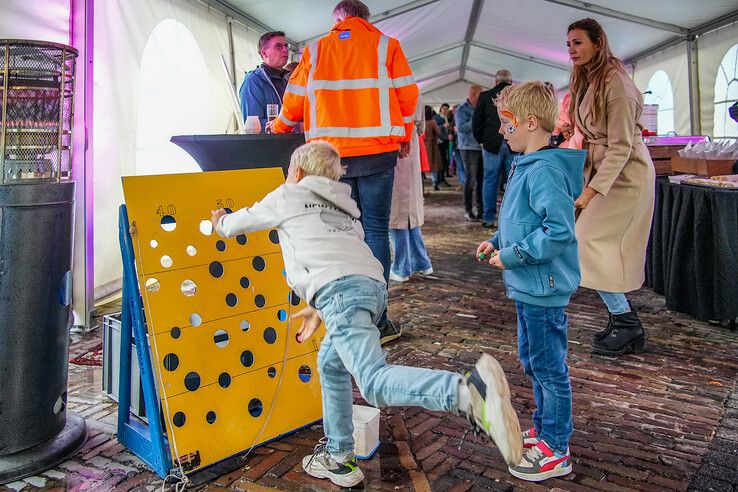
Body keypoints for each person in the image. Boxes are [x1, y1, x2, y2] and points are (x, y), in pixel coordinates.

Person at [211, 141, 522, 488]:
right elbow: (339, 255)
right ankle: (339, 456)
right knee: (331, 365)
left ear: (296, 173)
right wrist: (319, 308)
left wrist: (220, 221)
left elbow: (242, 222)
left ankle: (468, 393)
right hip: (371, 288)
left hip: (342, 293)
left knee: (373, 381)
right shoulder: (344, 207)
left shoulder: (288, 194)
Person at [273, 0, 418, 344]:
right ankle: (378, 321)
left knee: (337, 236)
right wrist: (406, 137)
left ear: (338, 19)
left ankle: (341, 315)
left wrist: (277, 129)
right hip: (378, 153)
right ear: (367, 19)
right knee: (376, 232)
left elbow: (293, 100)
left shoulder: (316, 50)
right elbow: (408, 97)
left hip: (328, 159)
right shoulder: (387, 46)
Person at [477, 81, 585, 482]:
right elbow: (521, 223)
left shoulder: (544, 172)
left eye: (508, 125)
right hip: (528, 285)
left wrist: (511, 255)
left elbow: (557, 231)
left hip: (542, 286)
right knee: (535, 361)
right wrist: (495, 242)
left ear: (531, 123)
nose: (503, 132)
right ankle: (544, 430)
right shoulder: (526, 165)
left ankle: (557, 447)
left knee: (548, 366)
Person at [566, 18, 656, 355]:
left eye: (578, 42)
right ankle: (622, 320)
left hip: (625, 177)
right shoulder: (590, 79)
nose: (572, 50)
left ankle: (627, 322)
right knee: (591, 243)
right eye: (569, 44)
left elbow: (620, 147)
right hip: (605, 173)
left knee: (588, 240)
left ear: (598, 42)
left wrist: (590, 191)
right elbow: (586, 134)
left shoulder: (616, 84)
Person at [389, 99, 433, 282]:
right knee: (408, 212)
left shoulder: (389, 84)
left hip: (396, 147)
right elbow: (421, 126)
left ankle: (402, 266)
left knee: (397, 211)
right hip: (410, 145)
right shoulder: (415, 89)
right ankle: (420, 261)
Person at [472, 69, 514, 228]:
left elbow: (476, 123)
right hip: (513, 144)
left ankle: (489, 218)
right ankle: (509, 219)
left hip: (490, 144)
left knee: (490, 181)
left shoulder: (485, 96)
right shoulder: (517, 95)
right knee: (513, 182)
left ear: (495, 81)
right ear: (511, 82)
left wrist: (481, 140)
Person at [239, 31, 291, 131]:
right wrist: (290, 126)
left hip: (292, 142)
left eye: (286, 45)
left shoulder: (288, 79)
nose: (285, 50)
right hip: (269, 145)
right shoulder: (253, 81)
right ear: (264, 53)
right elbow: (254, 125)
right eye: (278, 46)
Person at [455, 85, 484, 221]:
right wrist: (476, 120)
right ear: (472, 95)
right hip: (468, 148)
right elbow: (460, 128)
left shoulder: (481, 108)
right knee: (470, 180)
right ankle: (468, 210)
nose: (480, 99)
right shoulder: (462, 109)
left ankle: (480, 209)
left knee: (480, 180)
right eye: (479, 96)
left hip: (481, 147)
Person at [424, 105, 444, 191]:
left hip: (422, 145)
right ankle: (435, 181)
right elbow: (438, 132)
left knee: (421, 163)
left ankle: (421, 182)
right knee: (434, 164)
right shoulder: (432, 121)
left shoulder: (420, 121)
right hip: (431, 145)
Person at [434, 103, 452, 183]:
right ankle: (439, 179)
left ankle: (443, 177)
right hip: (440, 142)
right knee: (441, 160)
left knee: (445, 159)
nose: (445, 110)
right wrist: (443, 126)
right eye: (444, 108)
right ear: (441, 109)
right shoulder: (436, 117)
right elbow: (435, 129)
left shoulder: (447, 117)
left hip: (446, 140)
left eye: (447, 109)